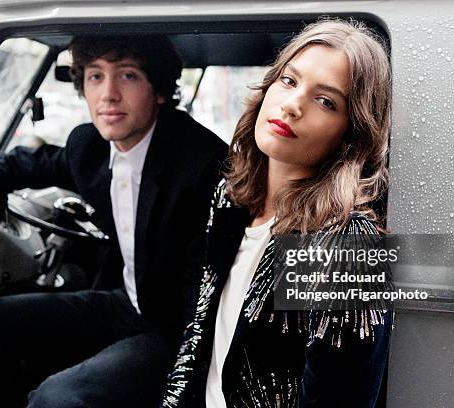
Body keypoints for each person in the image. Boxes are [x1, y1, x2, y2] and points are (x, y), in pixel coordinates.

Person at [0, 34, 227, 407]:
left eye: (127, 76)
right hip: (126, 304)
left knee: (57, 398)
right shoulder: (87, 147)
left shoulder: (201, 164)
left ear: (158, 90)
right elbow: (5, 166)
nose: (107, 94)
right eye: (95, 76)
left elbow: (204, 297)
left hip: (177, 329)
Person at [161, 19, 393, 407]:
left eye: (326, 101)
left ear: (351, 134)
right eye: (288, 80)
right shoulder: (231, 200)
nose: (292, 105)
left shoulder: (346, 245)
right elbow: (198, 333)